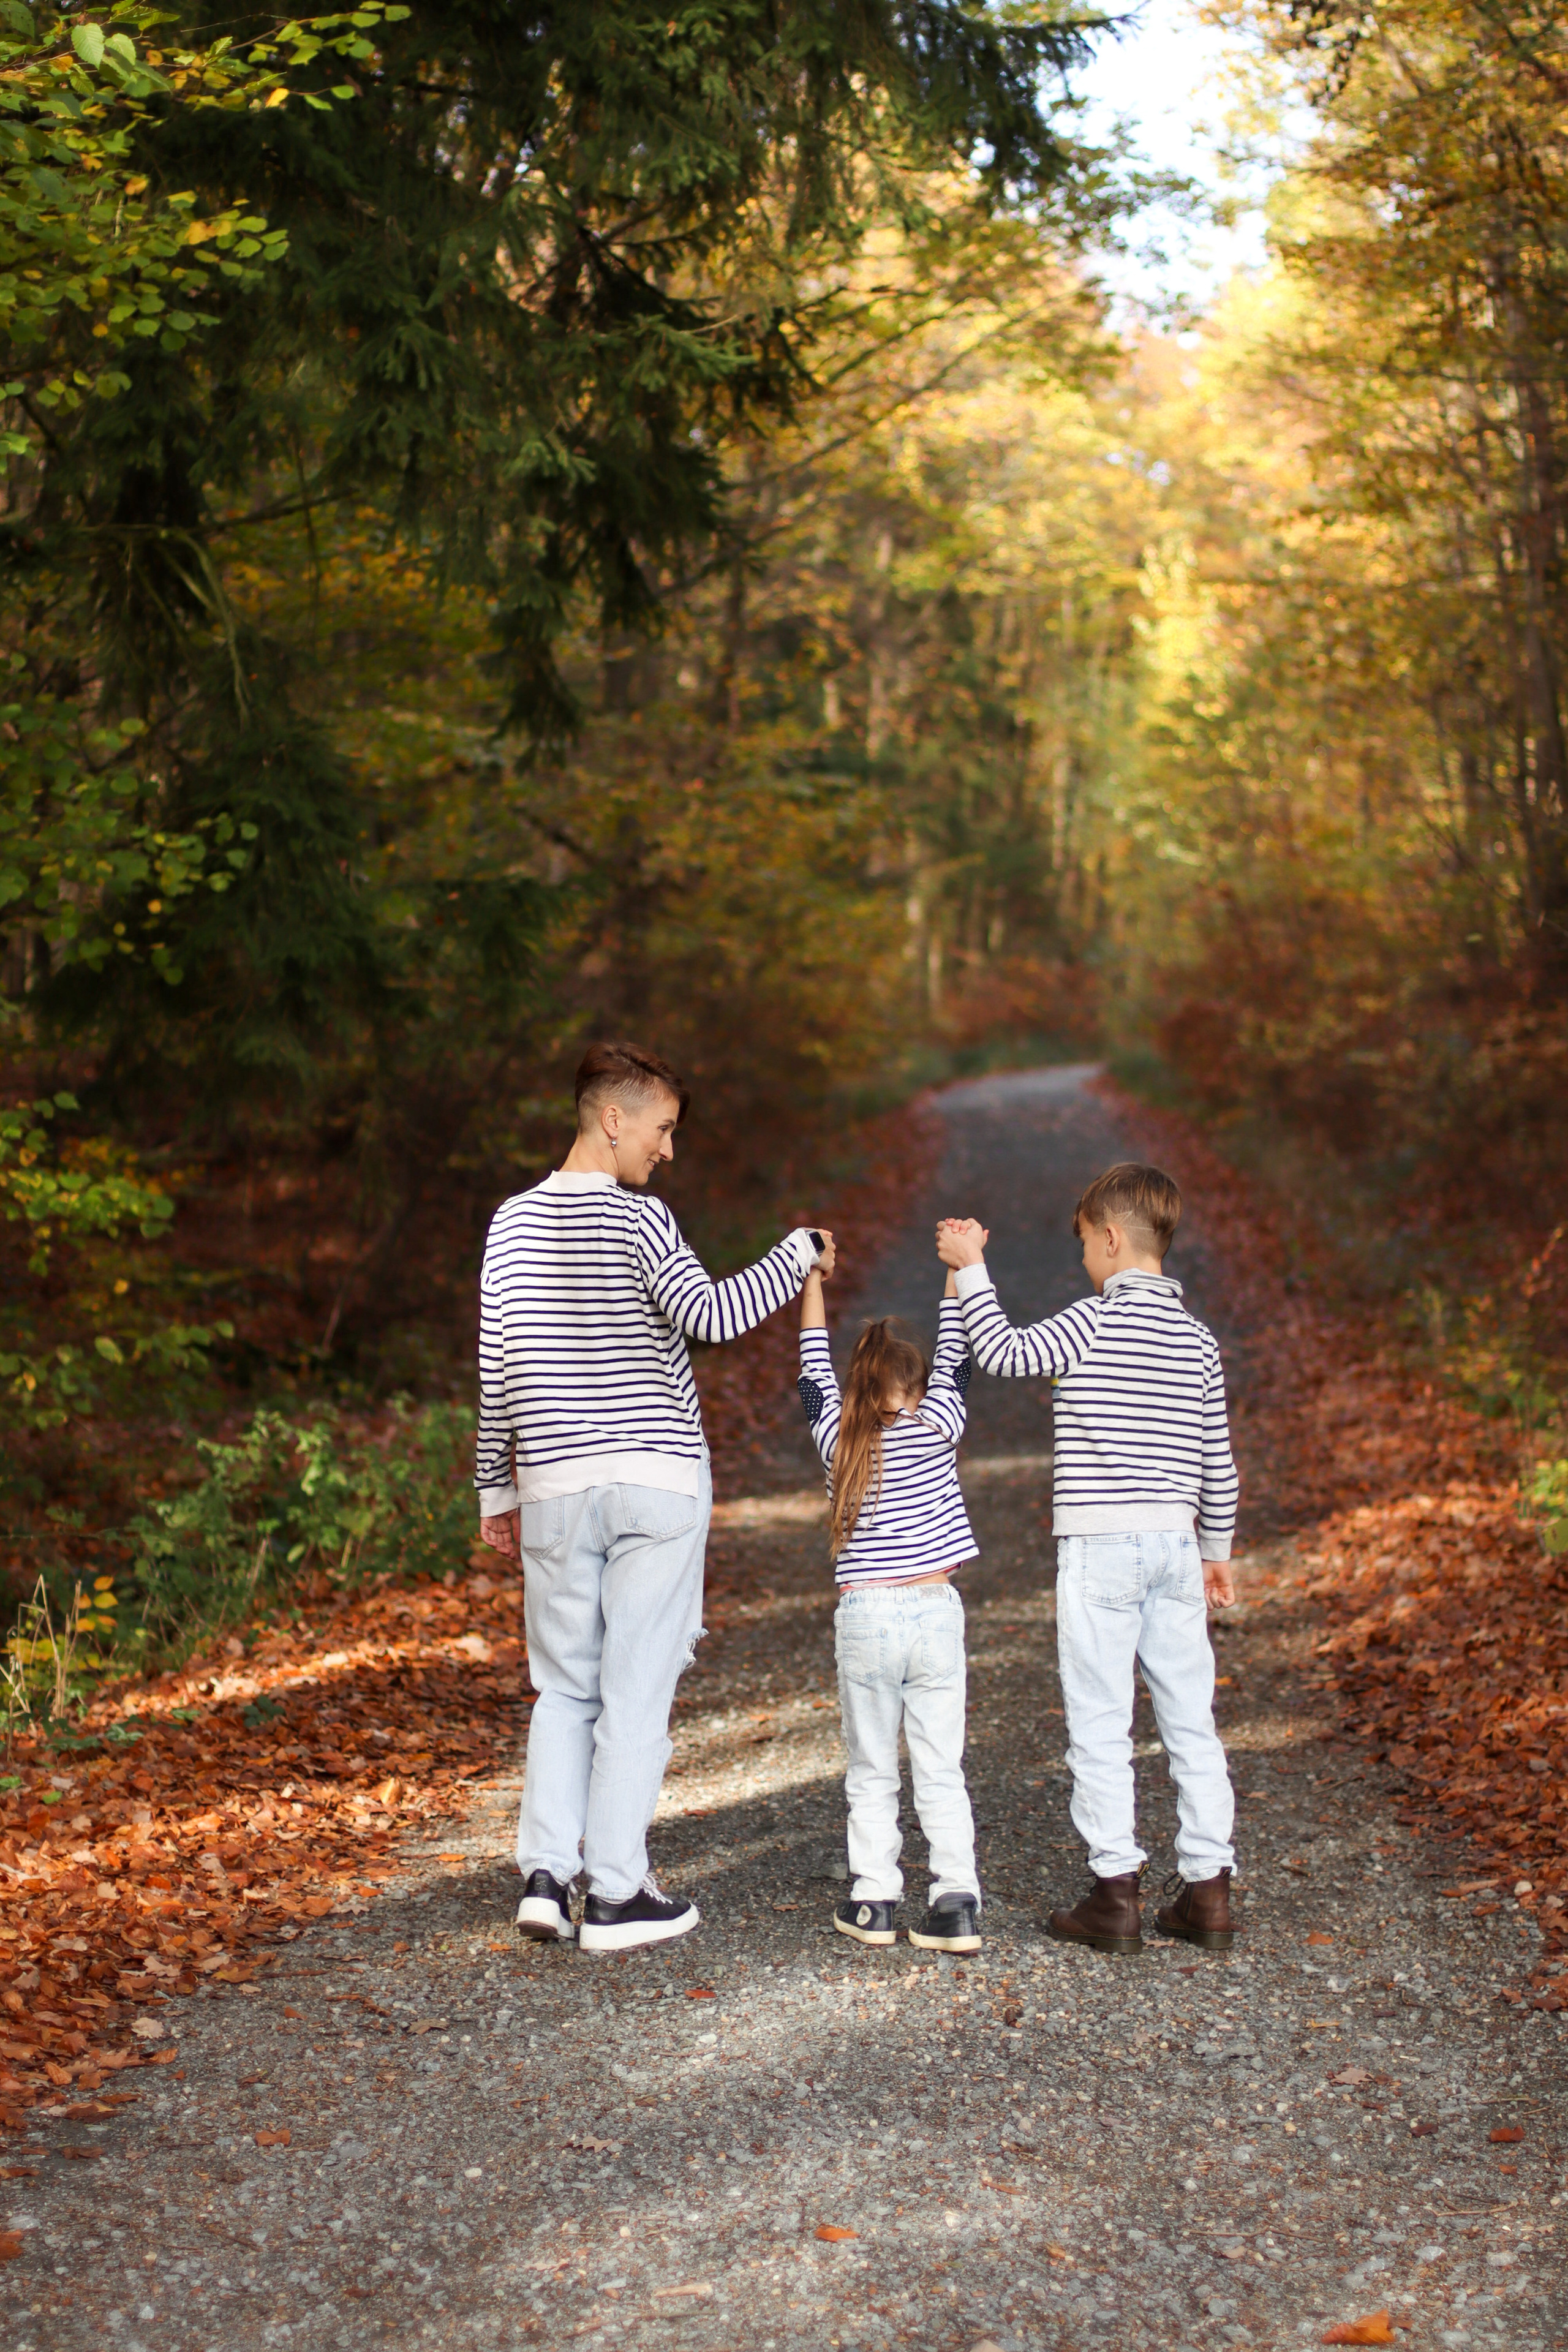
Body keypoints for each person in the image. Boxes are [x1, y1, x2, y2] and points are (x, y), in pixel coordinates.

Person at [475, 1040, 832, 1955]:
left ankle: (548, 1877)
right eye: (663, 1130)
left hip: (552, 1485)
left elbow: (498, 1369)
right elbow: (711, 1317)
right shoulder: (643, 1222)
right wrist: (797, 1254)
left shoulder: (509, 1225)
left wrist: (494, 1491)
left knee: (563, 1690)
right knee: (633, 1691)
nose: (666, 1152)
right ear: (613, 1117)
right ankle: (622, 1894)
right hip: (655, 1480)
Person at [937, 1162, 1240, 1955]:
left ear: (1110, 1238)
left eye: (1084, 1248)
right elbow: (1219, 1461)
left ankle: (1116, 1895)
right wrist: (1219, 1551)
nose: (1082, 1265)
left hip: (1102, 1547)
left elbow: (999, 1351)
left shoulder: (1090, 1321)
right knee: (1189, 1719)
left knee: (1102, 1720)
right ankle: (1208, 1891)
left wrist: (972, 1270)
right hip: (1177, 1544)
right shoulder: (1200, 1342)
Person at [797, 1253, 983, 1954]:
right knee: (940, 1765)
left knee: (871, 1767)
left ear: (860, 1390)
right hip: (934, 1609)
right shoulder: (940, 1426)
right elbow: (959, 1347)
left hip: (866, 1617)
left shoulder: (836, 1441)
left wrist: (812, 1282)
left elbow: (811, 1370)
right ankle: (954, 1901)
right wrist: (955, 1270)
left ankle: (874, 1899)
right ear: (916, 1388)